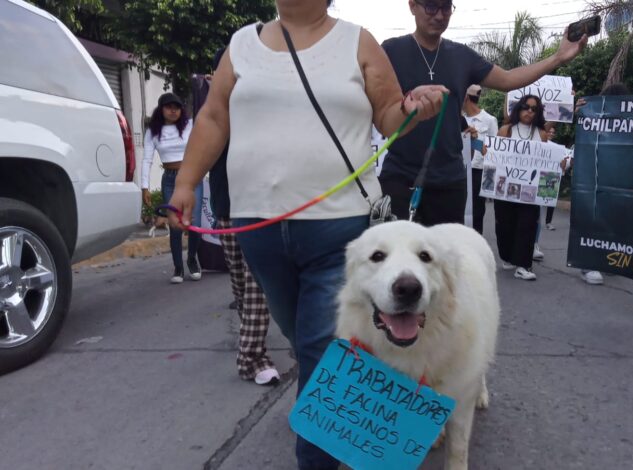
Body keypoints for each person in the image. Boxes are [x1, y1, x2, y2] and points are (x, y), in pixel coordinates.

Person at [167, 1, 446, 468]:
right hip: (256, 228)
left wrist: (415, 107)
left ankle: (316, 455)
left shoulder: (357, 41)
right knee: (300, 336)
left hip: (340, 227)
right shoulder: (240, 46)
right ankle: (348, 411)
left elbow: (389, 116)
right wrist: (185, 183)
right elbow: (215, 118)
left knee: (321, 343)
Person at [379, 0, 586, 226]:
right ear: (412, 6)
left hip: (449, 181)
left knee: (446, 259)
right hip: (400, 177)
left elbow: (508, 79)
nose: (439, 15)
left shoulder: (461, 56)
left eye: (446, 8)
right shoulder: (391, 51)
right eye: (431, 6)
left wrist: (557, 57)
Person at [207, 47, 279, 386]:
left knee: (255, 284)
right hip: (225, 206)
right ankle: (252, 337)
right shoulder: (213, 113)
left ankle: (252, 357)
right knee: (239, 283)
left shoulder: (268, 109)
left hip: (261, 207)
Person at [141, 93, 202, 284]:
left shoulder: (190, 125)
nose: (173, 110)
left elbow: (207, 107)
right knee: (175, 224)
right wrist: (145, 187)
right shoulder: (153, 132)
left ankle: (192, 259)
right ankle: (178, 267)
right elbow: (147, 159)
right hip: (170, 180)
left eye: (177, 106)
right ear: (161, 110)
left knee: (195, 223)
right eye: (168, 107)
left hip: (191, 177)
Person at [495, 95, 547, 280]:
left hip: (529, 191)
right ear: (519, 108)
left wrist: (560, 163)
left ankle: (524, 264)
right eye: (526, 107)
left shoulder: (541, 134)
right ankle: (508, 257)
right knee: (505, 225)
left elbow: (547, 162)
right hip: (506, 190)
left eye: (534, 109)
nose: (530, 111)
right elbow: (496, 156)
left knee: (527, 225)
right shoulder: (506, 130)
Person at [463, 84, 498, 234]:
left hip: (479, 173)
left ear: (465, 98)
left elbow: (494, 152)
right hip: (460, 172)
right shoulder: (458, 119)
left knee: (477, 212)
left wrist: (490, 184)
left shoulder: (489, 120)